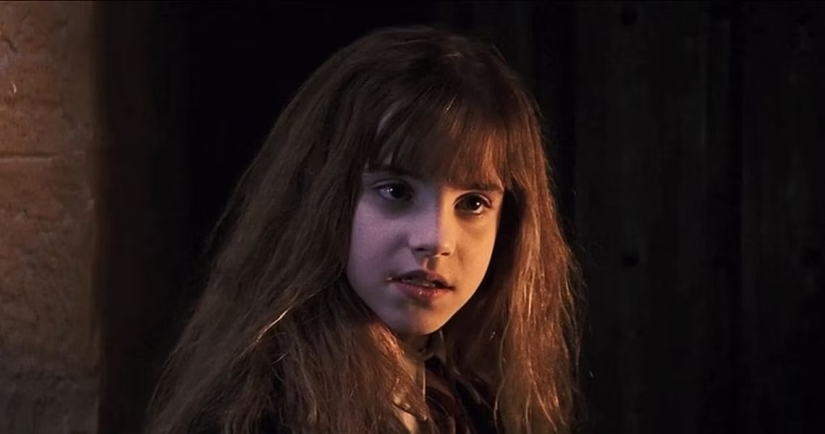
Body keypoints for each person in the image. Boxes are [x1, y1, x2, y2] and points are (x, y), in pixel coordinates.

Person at [145, 25, 581, 434]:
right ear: (321, 195)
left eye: (473, 203)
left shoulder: (471, 401)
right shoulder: (261, 414)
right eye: (396, 191)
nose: (437, 240)